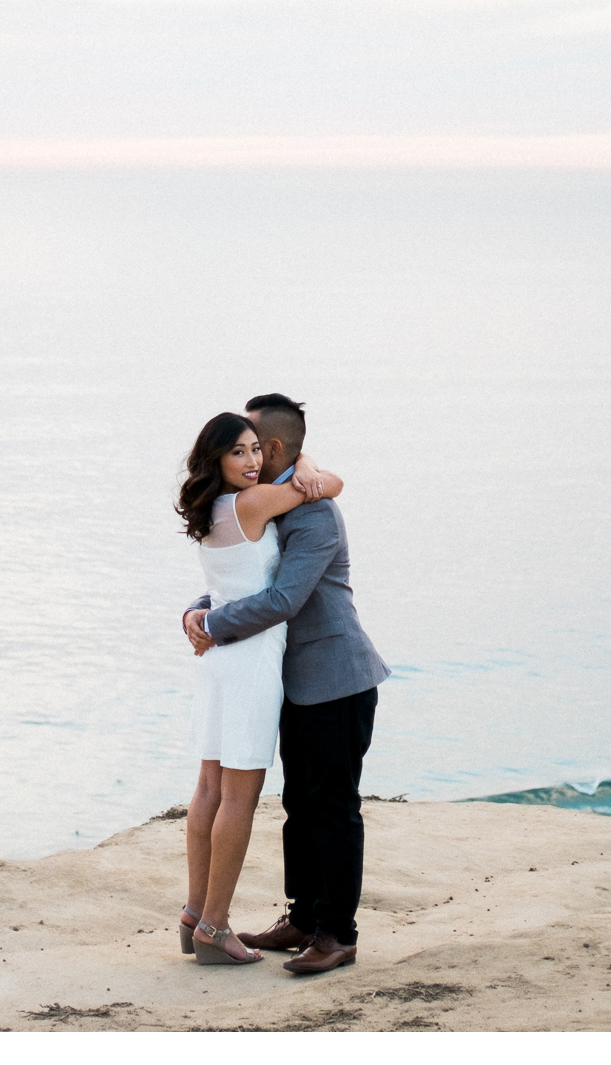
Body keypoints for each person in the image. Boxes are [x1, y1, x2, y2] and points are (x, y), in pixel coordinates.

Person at [184, 393, 390, 975]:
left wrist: (212, 626)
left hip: (335, 679)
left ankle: (337, 934)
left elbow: (282, 598)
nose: (242, 450)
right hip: (289, 682)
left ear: (271, 448)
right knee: (300, 805)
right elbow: (243, 575)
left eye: (251, 441)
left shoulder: (315, 515)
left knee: (333, 808)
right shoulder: (269, 506)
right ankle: (303, 915)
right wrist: (197, 611)